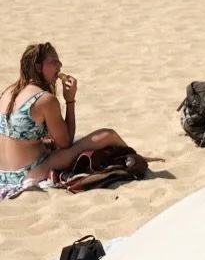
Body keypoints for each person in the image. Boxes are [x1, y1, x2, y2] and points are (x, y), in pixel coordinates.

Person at [1, 42, 143, 196]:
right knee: (107, 135)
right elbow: (65, 143)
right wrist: (70, 101)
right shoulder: (45, 100)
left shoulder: (8, 92)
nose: (60, 65)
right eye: (53, 61)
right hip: (29, 172)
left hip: (4, 173)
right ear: (38, 67)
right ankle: (135, 158)